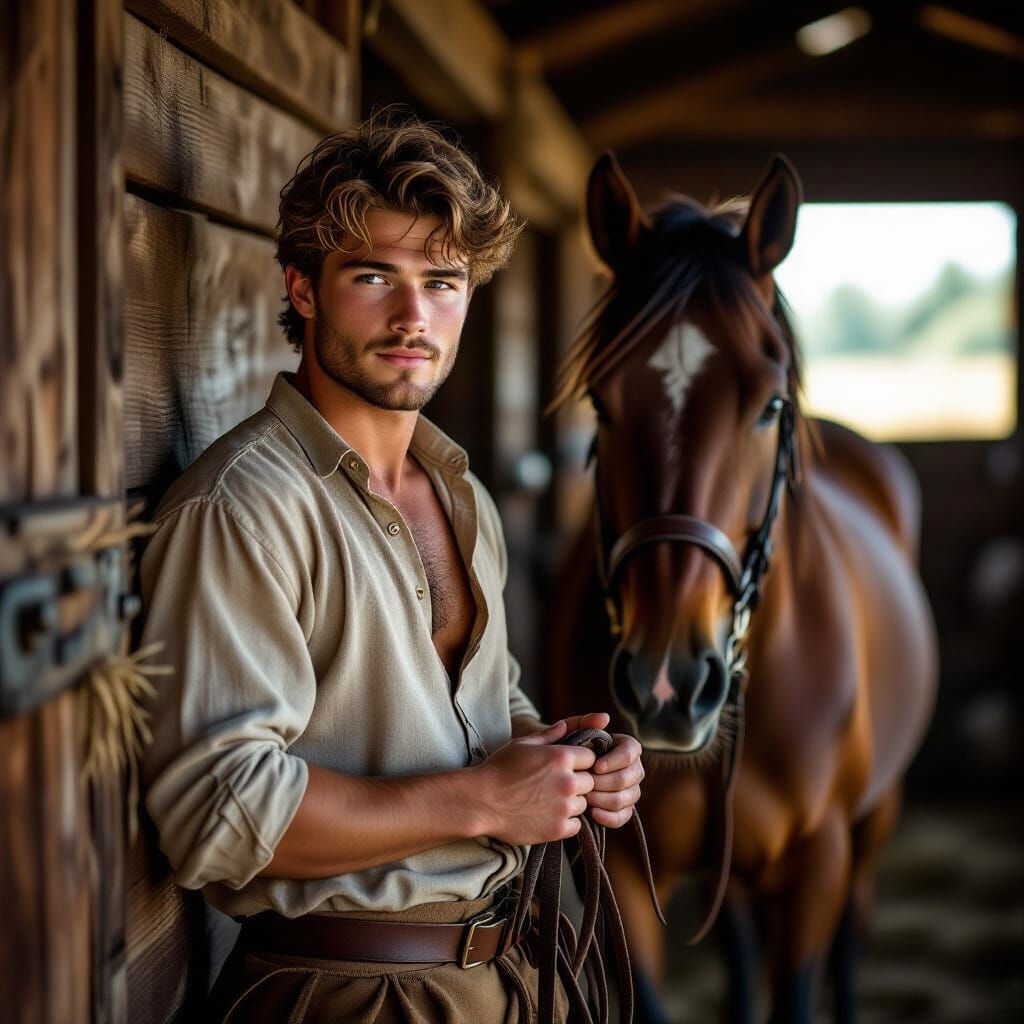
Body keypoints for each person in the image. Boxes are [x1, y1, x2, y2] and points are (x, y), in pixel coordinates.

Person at [139, 110, 645, 1023]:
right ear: (303, 288)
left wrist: (568, 768)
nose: (415, 318)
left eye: (443, 282)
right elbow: (217, 812)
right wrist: (485, 799)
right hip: (350, 992)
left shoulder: (462, 494)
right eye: (375, 276)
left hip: (511, 970)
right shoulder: (245, 508)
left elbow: (488, 708)